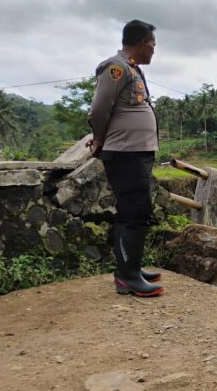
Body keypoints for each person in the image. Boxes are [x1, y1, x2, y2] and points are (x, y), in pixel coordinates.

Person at [88, 19, 163, 297]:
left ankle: (131, 268)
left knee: (135, 211)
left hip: (135, 152)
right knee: (134, 213)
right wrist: (99, 138)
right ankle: (128, 277)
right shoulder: (116, 68)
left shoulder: (132, 69)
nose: (154, 50)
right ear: (143, 43)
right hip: (125, 153)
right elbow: (99, 109)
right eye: (153, 44)